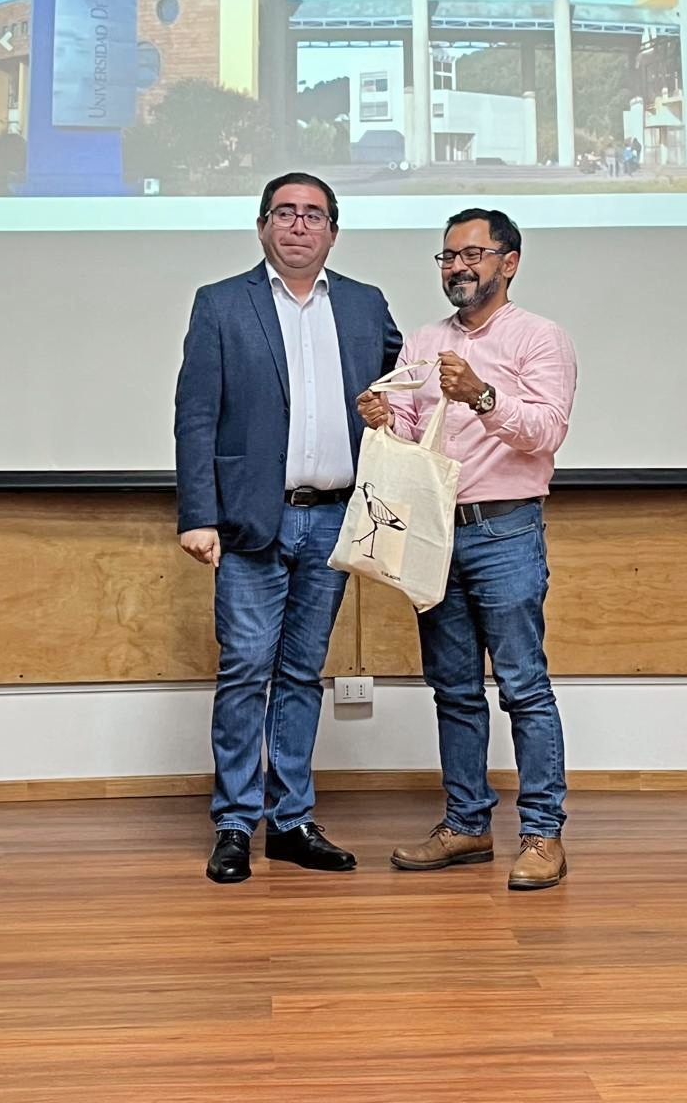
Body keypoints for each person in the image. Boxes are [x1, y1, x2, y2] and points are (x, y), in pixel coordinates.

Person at [175, 172, 402, 884]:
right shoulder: (220, 304)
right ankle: (235, 824)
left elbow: (402, 393)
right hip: (250, 521)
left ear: (333, 230)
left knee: (303, 674)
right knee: (246, 670)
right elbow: (195, 416)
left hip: (335, 518)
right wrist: (198, 515)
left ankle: (292, 820)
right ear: (262, 226)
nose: (298, 225)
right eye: (284, 212)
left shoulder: (365, 305)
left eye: (313, 214)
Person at [357, 208, 577, 890]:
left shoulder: (540, 337)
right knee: (452, 689)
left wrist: (482, 395)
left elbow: (546, 432)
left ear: (509, 262)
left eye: (472, 254)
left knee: (523, 686)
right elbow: (412, 433)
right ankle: (466, 824)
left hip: (505, 530)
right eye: (448, 256)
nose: (458, 266)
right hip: (433, 531)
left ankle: (541, 833)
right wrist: (384, 419)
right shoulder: (423, 340)